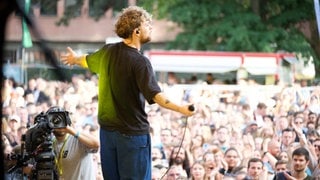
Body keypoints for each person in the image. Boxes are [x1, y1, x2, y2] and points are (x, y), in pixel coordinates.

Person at [60, 5, 194, 179]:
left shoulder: (107, 52)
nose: (151, 28)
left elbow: (86, 60)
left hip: (107, 134)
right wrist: (181, 109)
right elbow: (156, 95)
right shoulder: (141, 62)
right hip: (132, 136)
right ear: (137, 31)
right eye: (148, 24)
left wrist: (74, 59)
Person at [49, 106, 100, 180]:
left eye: (61, 119)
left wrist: (71, 130)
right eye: (54, 120)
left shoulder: (78, 138)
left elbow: (96, 144)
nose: (58, 123)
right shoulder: (50, 143)